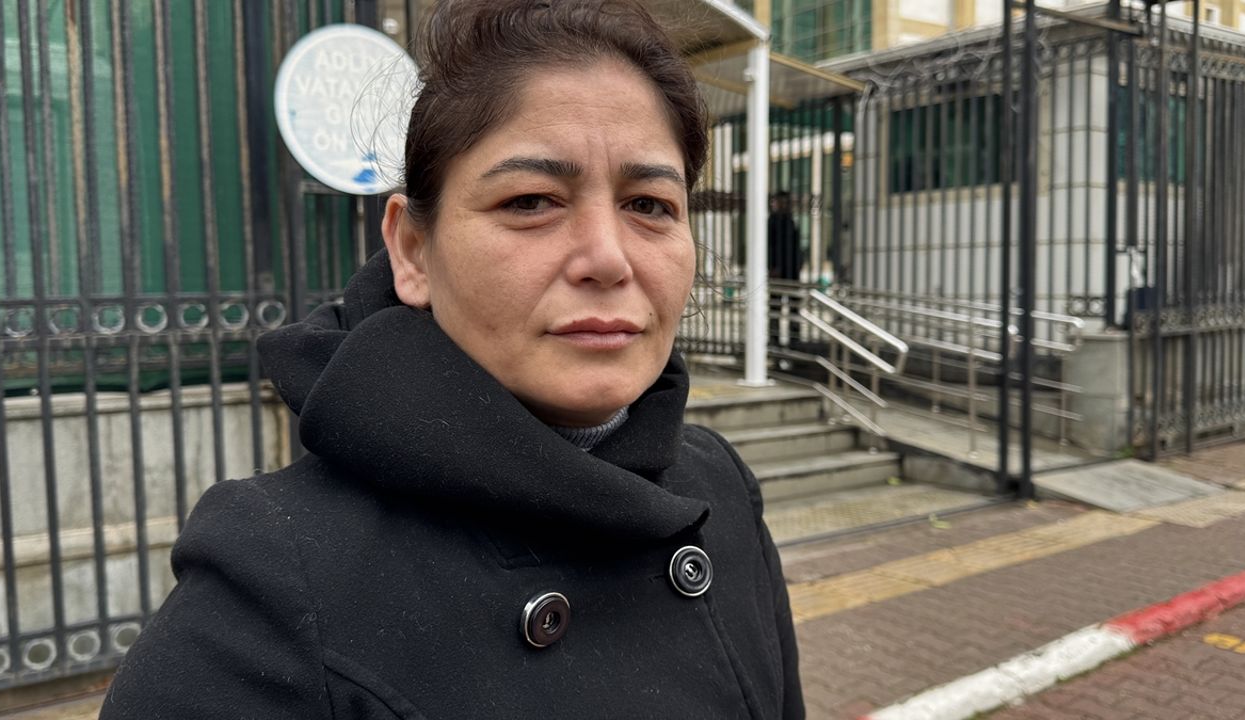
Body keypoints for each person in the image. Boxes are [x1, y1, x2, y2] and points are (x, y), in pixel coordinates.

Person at [99, 1, 803, 718]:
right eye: (531, 200)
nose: (607, 258)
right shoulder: (272, 583)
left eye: (649, 205)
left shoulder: (720, 488)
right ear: (411, 251)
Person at [768, 190, 803, 346]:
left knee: (794, 306)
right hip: (778, 272)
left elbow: (796, 247)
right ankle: (774, 338)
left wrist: (799, 264)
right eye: (781, 202)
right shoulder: (772, 221)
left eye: (786, 202)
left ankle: (794, 339)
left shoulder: (791, 221)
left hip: (792, 272)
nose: (784, 205)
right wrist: (773, 267)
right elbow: (769, 248)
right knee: (775, 306)